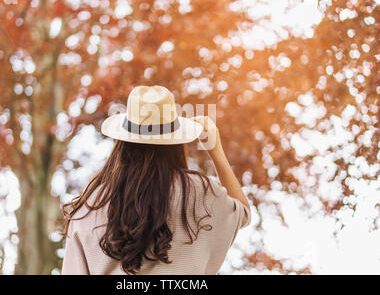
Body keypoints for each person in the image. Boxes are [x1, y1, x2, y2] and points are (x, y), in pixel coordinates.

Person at [61, 85, 250, 275]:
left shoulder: (90, 205)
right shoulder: (201, 193)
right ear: (175, 140)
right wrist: (215, 151)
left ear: (123, 142)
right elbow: (243, 212)